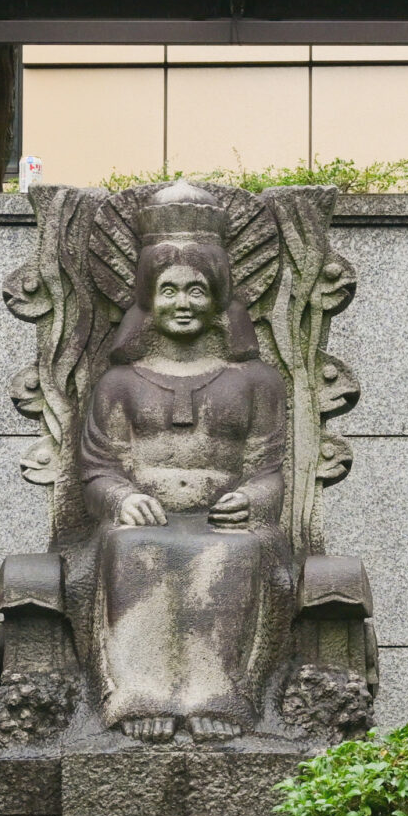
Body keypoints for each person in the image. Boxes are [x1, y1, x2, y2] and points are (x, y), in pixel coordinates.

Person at [76, 237, 290, 742]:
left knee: (234, 553)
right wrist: (122, 498)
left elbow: (271, 468)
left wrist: (253, 499)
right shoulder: (118, 384)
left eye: (197, 290)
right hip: (142, 524)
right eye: (169, 291)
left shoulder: (257, 381)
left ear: (219, 301)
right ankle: (140, 694)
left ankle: (218, 696)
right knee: (132, 546)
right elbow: (95, 468)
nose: (184, 304)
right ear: (148, 301)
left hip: (228, 526)